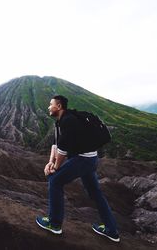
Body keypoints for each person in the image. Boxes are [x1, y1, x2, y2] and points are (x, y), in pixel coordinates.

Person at [35, 95, 120, 242]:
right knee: (95, 193)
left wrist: (54, 168)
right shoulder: (61, 122)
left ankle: (54, 223)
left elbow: (63, 151)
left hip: (83, 160)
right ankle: (111, 230)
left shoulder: (68, 121)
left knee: (55, 181)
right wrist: (50, 162)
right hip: (90, 159)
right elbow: (56, 145)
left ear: (59, 106)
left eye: (51, 104)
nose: (48, 107)